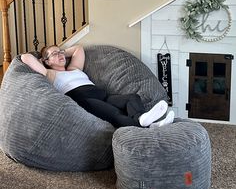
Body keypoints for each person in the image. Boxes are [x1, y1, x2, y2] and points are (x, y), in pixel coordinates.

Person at [21, 44, 174, 128]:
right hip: (84, 100)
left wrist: (60, 53)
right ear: (46, 61)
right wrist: (43, 60)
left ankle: (143, 119)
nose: (61, 55)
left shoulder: (74, 68)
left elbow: (78, 48)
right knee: (115, 114)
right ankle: (152, 128)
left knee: (132, 98)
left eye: (61, 52)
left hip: (102, 95)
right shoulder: (50, 74)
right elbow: (25, 57)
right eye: (55, 54)